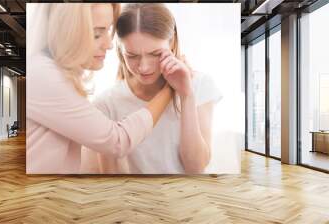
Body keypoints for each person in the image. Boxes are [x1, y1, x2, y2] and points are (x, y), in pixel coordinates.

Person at [26, 3, 173, 174]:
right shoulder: (44, 76)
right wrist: (169, 89)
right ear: (65, 33)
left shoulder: (49, 72)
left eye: (108, 30)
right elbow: (118, 141)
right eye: (96, 34)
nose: (109, 44)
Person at [81, 3, 222, 174]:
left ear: (172, 42)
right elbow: (111, 180)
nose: (144, 67)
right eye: (132, 56)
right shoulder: (106, 103)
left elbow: (196, 167)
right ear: (119, 49)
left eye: (155, 54)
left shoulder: (200, 84)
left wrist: (186, 95)